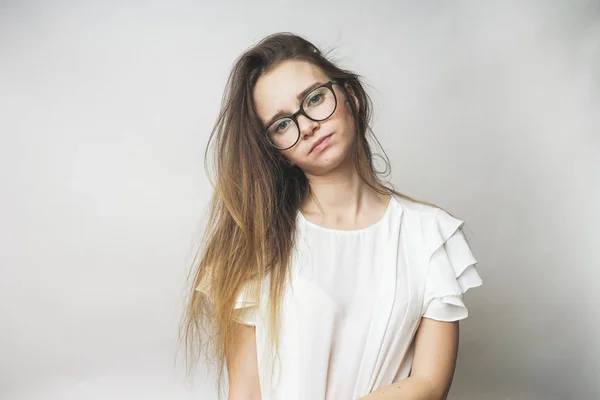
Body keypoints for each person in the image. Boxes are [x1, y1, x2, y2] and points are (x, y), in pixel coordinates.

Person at [179, 32, 483, 400]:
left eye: (314, 98)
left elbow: (430, 386)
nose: (306, 125)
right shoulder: (254, 247)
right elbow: (245, 393)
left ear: (350, 96)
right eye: (282, 124)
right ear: (278, 152)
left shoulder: (431, 237)